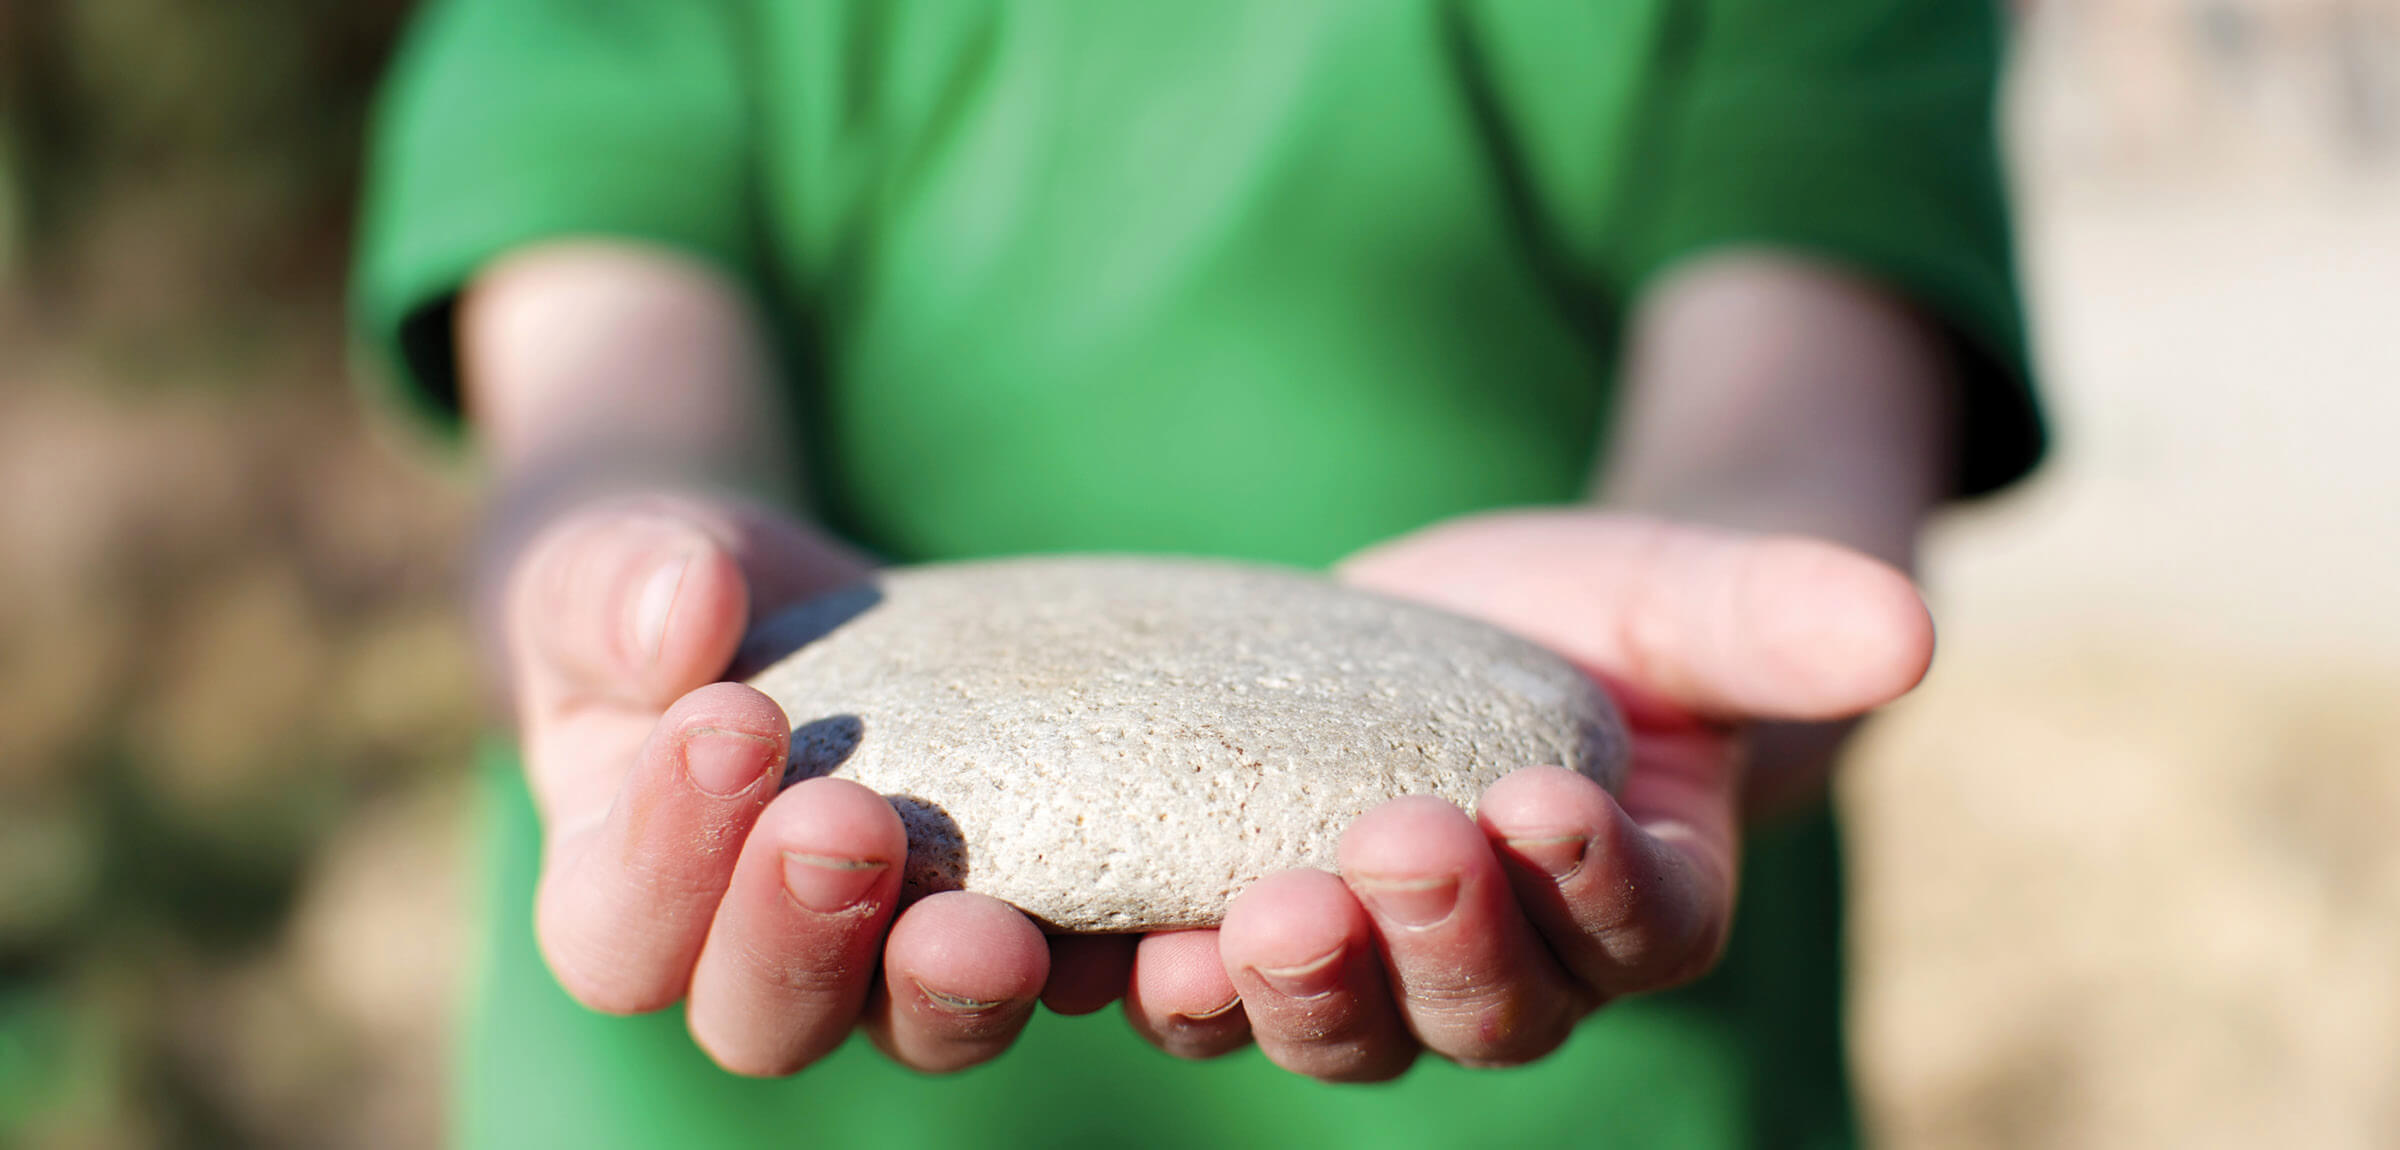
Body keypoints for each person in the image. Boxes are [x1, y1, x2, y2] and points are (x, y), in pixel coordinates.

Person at [355, 1, 2043, 1145]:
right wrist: (643, 587)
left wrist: (1704, 645)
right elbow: (605, 403)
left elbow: (1787, 436)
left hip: (1605, 1087)